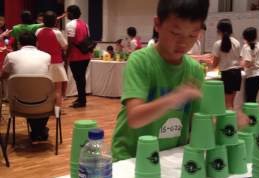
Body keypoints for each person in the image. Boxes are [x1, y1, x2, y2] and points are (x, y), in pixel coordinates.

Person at [112, 0, 209, 162]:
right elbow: (135, 118)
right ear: (157, 24)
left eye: (193, 35)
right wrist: (174, 98)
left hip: (170, 155)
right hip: (131, 156)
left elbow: (199, 122)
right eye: (175, 33)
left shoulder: (194, 70)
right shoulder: (141, 61)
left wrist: (228, 123)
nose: (184, 43)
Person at [1, 31, 51, 141]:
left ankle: (38, 132)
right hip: (43, 104)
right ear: (37, 43)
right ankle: (39, 131)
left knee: (27, 92)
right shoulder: (47, 56)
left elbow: (3, 75)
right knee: (38, 92)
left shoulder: (11, 56)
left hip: (18, 104)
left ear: (19, 44)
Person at [35, 11, 68, 108]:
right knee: (58, 89)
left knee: (44, 88)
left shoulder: (38, 31)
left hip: (42, 63)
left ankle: (45, 108)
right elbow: (65, 47)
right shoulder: (57, 33)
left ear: (43, 21)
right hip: (56, 63)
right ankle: (57, 110)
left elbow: (36, 45)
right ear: (54, 21)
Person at [212, 19, 241, 109]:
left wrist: (211, 67)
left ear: (218, 30)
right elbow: (238, 58)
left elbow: (215, 62)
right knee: (231, 103)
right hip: (237, 73)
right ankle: (231, 122)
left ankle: (227, 123)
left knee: (227, 104)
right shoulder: (237, 42)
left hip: (227, 74)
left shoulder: (218, 43)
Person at [66, 5, 91, 108]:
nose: (66, 14)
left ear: (71, 13)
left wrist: (66, 56)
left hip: (76, 56)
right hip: (86, 55)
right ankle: (81, 98)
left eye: (67, 12)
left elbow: (70, 42)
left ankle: (82, 101)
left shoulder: (70, 24)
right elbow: (87, 38)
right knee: (81, 78)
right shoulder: (85, 24)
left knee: (78, 78)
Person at [241, 27, 259, 103]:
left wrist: (241, 64)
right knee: (253, 99)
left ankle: (251, 115)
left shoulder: (246, 48)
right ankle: (252, 114)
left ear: (245, 37)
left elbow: (248, 64)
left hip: (252, 76)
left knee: (250, 100)